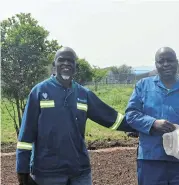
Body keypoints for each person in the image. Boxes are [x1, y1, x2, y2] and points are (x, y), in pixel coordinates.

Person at [16, 47, 128, 185]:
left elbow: (111, 118)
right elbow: (25, 136)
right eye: (61, 60)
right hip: (47, 173)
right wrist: (22, 173)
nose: (66, 63)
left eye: (71, 61)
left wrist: (144, 125)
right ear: (54, 65)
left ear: (75, 66)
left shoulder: (83, 94)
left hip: (80, 172)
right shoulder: (39, 92)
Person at [125, 47, 179, 185]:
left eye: (170, 60)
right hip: (151, 159)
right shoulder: (143, 86)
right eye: (161, 61)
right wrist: (153, 123)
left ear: (177, 63)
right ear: (156, 64)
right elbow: (131, 114)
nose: (165, 64)